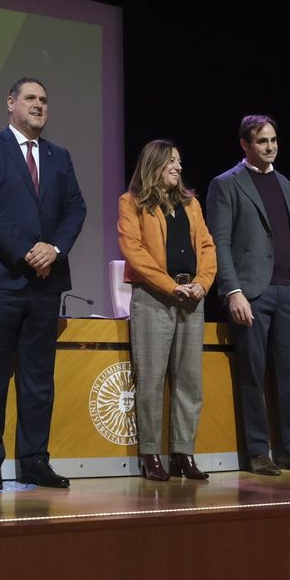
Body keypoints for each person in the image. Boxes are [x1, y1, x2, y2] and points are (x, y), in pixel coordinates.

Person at [0, 77, 88, 490]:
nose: (39, 105)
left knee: (38, 381)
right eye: (31, 98)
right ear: (10, 103)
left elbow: (76, 208)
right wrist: (26, 250)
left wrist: (54, 248)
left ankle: (34, 461)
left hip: (45, 285)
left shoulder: (59, 156)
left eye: (44, 100)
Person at [205, 115, 290, 476]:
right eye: (261, 141)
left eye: (273, 140)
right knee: (253, 373)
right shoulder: (226, 183)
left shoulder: (284, 183)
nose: (270, 147)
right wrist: (232, 290)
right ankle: (257, 451)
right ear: (245, 144)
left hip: (287, 290)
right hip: (251, 291)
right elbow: (220, 242)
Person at [117, 139, 218, 481]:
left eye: (179, 161)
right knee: (151, 379)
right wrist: (169, 285)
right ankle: (150, 454)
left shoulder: (190, 203)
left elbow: (207, 246)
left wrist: (202, 283)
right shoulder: (131, 202)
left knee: (189, 380)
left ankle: (183, 453)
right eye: (171, 161)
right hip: (154, 297)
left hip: (191, 298)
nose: (178, 166)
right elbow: (134, 251)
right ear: (154, 164)